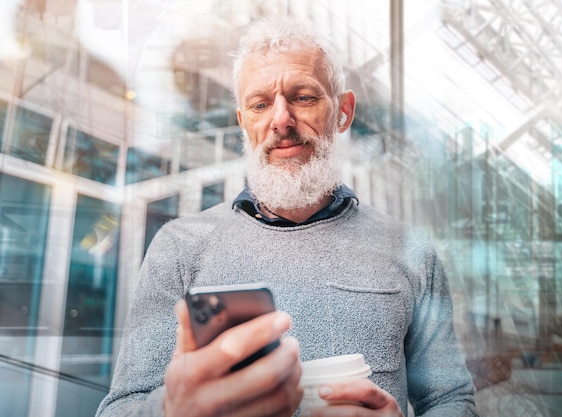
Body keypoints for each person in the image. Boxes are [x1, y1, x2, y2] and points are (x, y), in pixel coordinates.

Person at [96, 19, 479, 417]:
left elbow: (451, 400)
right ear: (244, 123)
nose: (281, 120)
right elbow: (119, 408)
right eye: (260, 104)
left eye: (303, 97)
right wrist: (172, 410)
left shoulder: (410, 251)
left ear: (343, 112)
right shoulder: (180, 246)